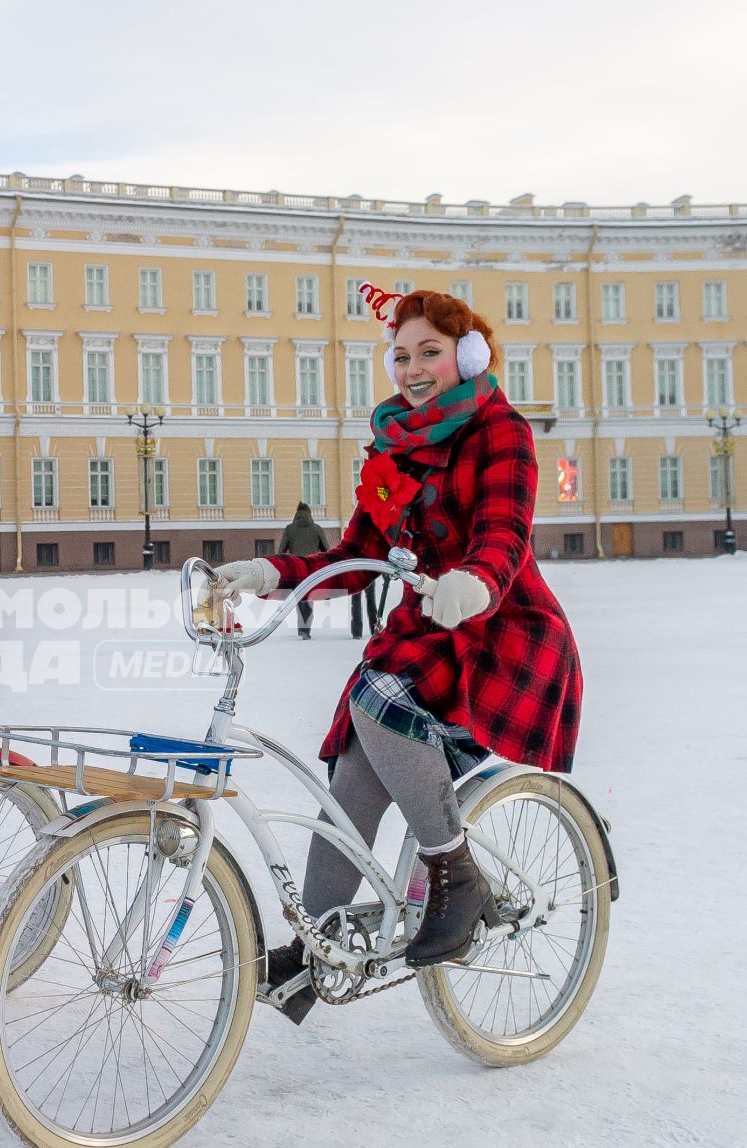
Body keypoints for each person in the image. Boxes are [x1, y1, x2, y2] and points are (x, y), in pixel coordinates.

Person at [215, 286, 582, 1021]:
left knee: (375, 700)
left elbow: (504, 537)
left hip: (500, 629)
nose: (414, 369)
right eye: (403, 355)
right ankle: (317, 949)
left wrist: (473, 583)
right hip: (425, 634)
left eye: (431, 352)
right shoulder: (393, 446)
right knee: (353, 770)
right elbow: (356, 557)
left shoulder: (500, 431)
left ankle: (457, 875)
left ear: (467, 355)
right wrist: (270, 573)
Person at [279, 502, 328, 639]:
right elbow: (326, 550)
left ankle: (302, 629)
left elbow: (281, 551)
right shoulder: (316, 529)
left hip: (295, 569)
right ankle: (306, 630)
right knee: (308, 598)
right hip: (311, 569)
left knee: (299, 598)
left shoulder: (289, 529)